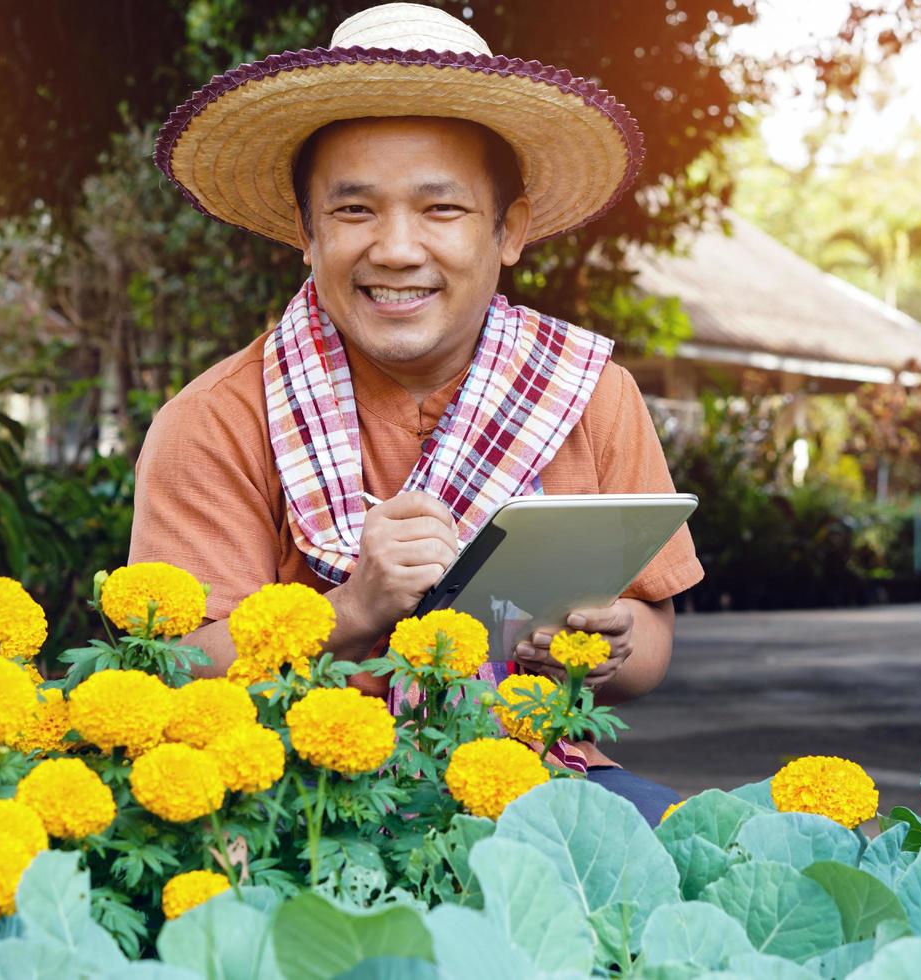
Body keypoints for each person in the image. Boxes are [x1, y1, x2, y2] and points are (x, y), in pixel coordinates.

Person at [133, 2, 704, 822]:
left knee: (698, 864)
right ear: (306, 231)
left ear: (510, 230)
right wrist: (353, 609)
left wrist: (608, 642)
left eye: (442, 209)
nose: (396, 248)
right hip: (302, 798)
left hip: (538, 777)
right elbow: (172, 674)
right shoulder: (215, 420)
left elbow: (651, 643)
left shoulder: (584, 392)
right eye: (354, 210)